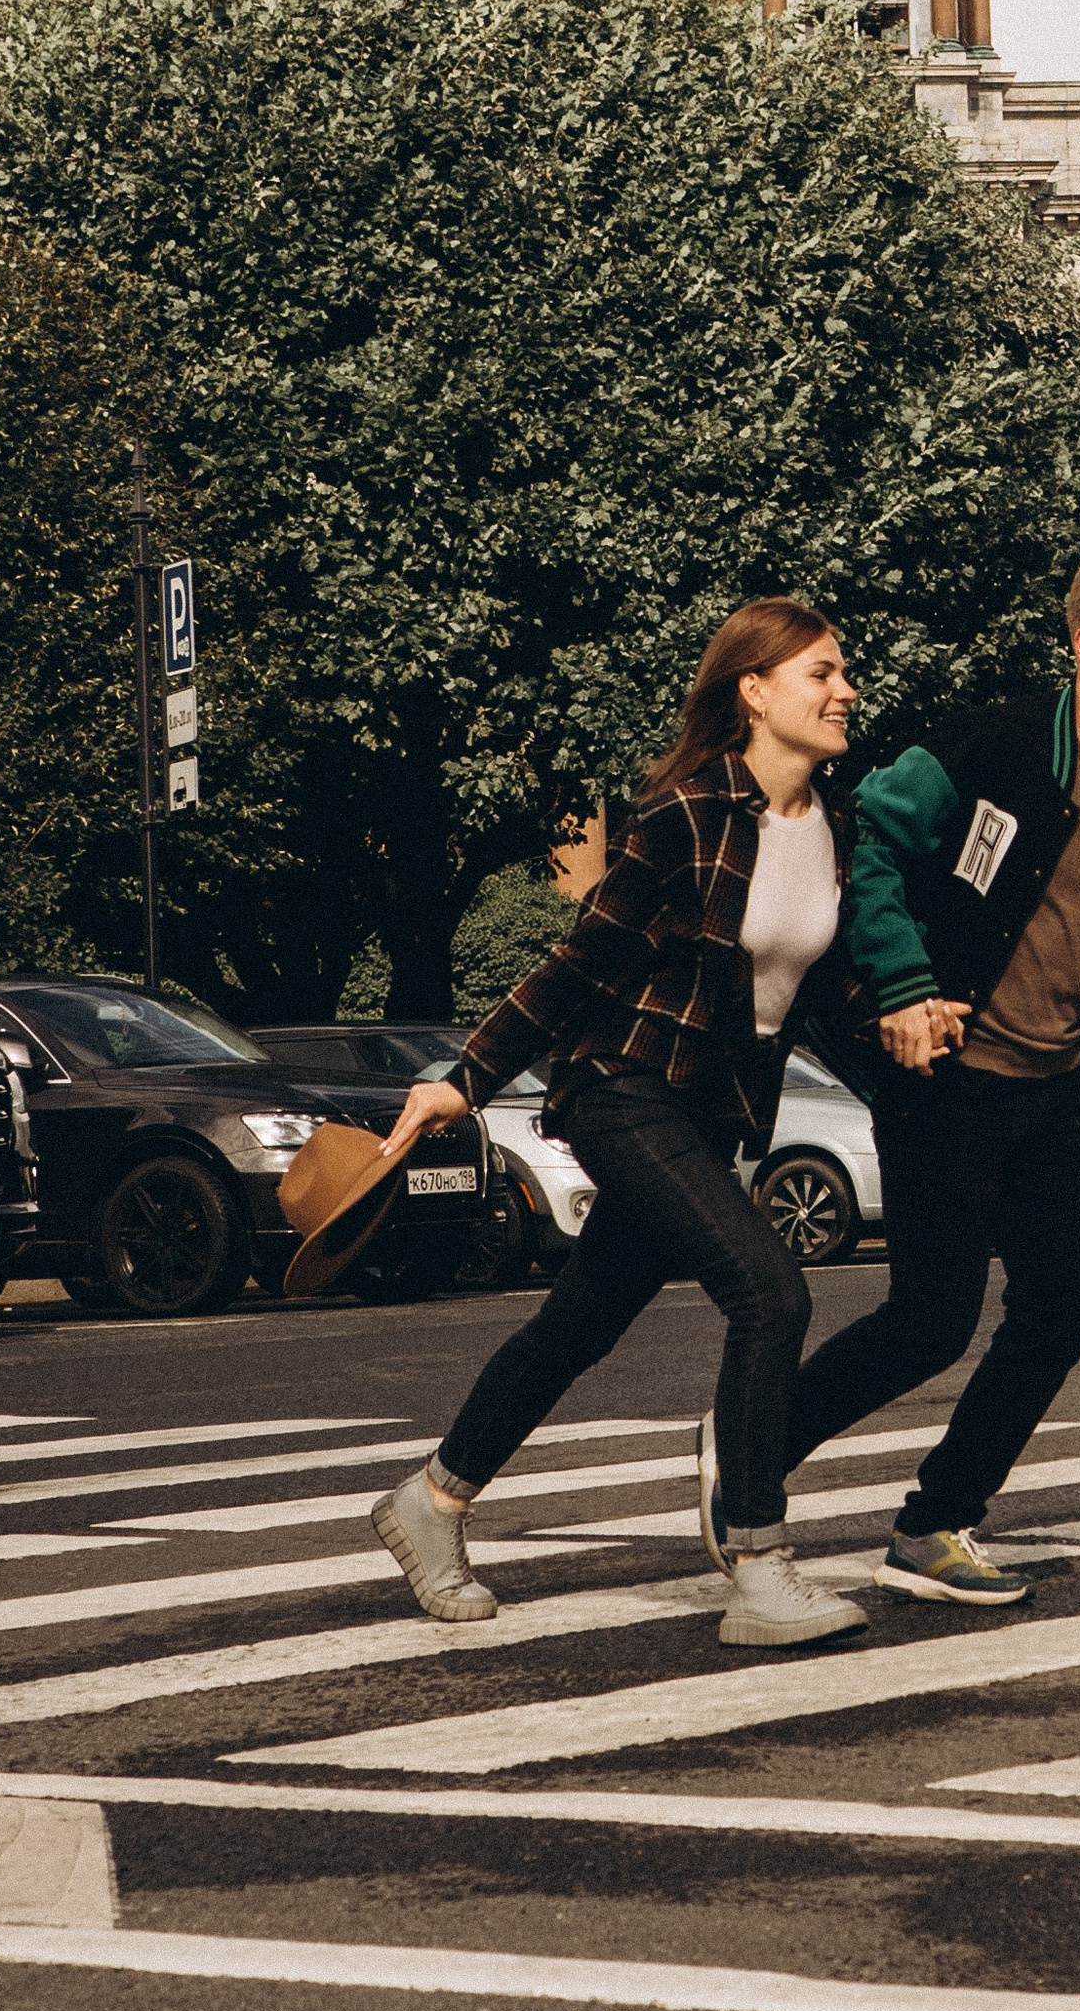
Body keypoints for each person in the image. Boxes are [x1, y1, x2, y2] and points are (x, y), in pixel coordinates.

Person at [370, 599, 868, 1650]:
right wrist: (467, 1075)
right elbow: (579, 960)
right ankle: (759, 1559)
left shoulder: (834, 824)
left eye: (842, 673)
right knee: (769, 1293)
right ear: (755, 690)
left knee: (581, 1321)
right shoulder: (685, 814)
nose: (843, 690)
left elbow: (821, 996)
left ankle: (433, 1498)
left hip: (707, 1112)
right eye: (819, 673)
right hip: (623, 1088)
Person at [777, 529, 1080, 1610]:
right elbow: (870, 839)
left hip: (1054, 1087)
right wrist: (899, 984)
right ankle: (752, 1440)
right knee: (931, 1317)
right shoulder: (989, 748)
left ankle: (936, 1522)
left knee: (1057, 1312)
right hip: (949, 1075)